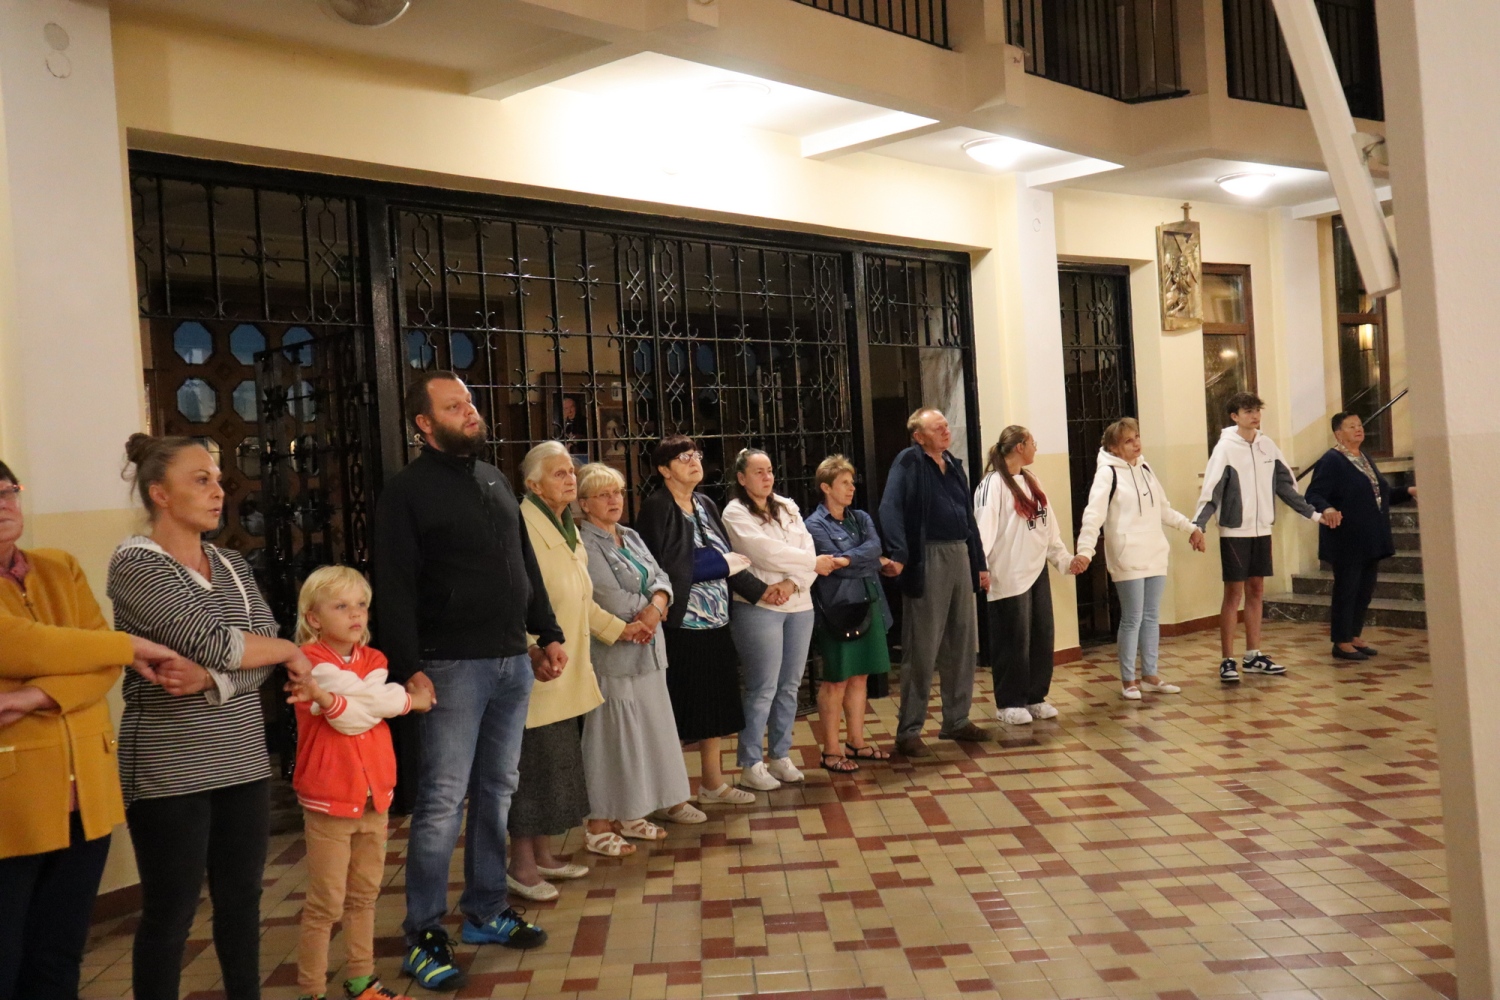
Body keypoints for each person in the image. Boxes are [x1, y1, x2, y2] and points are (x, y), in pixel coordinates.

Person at [372, 371, 562, 992]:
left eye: (471, 403)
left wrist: (547, 630)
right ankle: (424, 933)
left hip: (509, 659)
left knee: (497, 788)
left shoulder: (492, 477)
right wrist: (408, 668)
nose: (470, 412)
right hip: (449, 665)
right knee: (441, 802)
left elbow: (524, 560)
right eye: (455, 407)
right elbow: (394, 586)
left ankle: (484, 909)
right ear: (425, 424)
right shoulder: (406, 492)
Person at [107, 434, 315, 1000]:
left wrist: (214, 678)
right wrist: (282, 652)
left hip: (241, 759)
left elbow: (259, 644)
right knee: (172, 910)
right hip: (170, 766)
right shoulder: (135, 564)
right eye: (201, 480)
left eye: (218, 480)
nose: (218, 491)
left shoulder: (229, 561)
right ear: (160, 494)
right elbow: (217, 642)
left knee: (242, 901)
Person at [0, 459, 193, 1000]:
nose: (2, 505)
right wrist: (125, 645)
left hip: (85, 797)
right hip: (12, 803)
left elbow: (100, 664)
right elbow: (24, 643)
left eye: (7, 492)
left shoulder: (58, 567)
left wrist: (33, 696)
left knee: (60, 954)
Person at [287, 566, 433, 1000]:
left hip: (375, 797)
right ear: (313, 619)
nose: (355, 614)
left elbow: (373, 703)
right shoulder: (308, 662)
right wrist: (410, 701)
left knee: (365, 896)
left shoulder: (374, 660)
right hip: (330, 798)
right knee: (326, 903)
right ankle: (312, 989)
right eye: (341, 606)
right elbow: (351, 720)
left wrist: (347, 701)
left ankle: (362, 980)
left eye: (361, 605)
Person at [511, 442, 643, 886]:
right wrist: (533, 647)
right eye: (559, 473)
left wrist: (620, 629)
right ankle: (521, 866)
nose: (570, 478)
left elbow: (580, 598)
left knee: (554, 770)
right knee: (531, 771)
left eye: (571, 471)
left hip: (567, 667)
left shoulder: (567, 525)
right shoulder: (523, 525)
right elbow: (517, 600)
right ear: (534, 485)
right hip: (539, 666)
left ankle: (544, 855)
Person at [576, 463, 706, 846]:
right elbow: (607, 597)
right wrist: (650, 610)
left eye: (617, 492)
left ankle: (635, 813)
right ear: (584, 503)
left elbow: (662, 577)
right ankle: (603, 818)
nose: (614, 500)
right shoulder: (585, 543)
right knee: (615, 740)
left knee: (648, 734)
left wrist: (658, 604)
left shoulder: (629, 535)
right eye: (603, 494)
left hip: (649, 649)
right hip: (615, 655)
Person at [635, 436, 764, 807]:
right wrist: (717, 565)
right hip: (682, 623)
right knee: (681, 708)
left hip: (717, 619)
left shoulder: (705, 502)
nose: (694, 461)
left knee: (716, 706)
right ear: (664, 470)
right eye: (683, 457)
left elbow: (727, 556)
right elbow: (661, 564)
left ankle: (713, 784)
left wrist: (759, 590)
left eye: (696, 455)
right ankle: (672, 797)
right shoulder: (657, 507)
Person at [1193, 392, 1338, 684]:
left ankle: (1253, 655)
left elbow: (1285, 487)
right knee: (1233, 594)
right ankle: (1227, 660)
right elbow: (1212, 491)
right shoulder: (1225, 448)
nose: (1255, 416)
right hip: (1235, 531)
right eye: (1248, 411)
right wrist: (1198, 525)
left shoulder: (1267, 446)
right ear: (1234, 416)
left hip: (1262, 530)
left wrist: (1313, 514)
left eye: (1257, 410)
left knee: (1257, 590)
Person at [878, 408, 991, 758]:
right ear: (919, 436)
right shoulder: (908, 462)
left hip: (960, 554)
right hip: (928, 557)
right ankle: (909, 731)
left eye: (945, 425)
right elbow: (889, 509)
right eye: (937, 427)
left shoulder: (954, 464)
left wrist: (979, 562)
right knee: (923, 648)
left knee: (962, 643)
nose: (945, 430)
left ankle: (957, 719)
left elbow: (968, 517)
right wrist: (899, 553)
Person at [722, 449, 833, 791]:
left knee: (789, 685)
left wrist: (792, 582)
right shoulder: (735, 512)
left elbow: (807, 550)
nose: (766, 477)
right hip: (760, 607)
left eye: (769, 470)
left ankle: (780, 755)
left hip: (798, 602)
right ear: (742, 478)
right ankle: (750, 762)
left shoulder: (786, 506)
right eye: (758, 472)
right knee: (762, 687)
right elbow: (764, 553)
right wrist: (808, 565)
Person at [1073, 419, 1206, 699]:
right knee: (1132, 617)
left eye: (1137, 437)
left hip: (1154, 552)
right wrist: (1085, 550)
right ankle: (1128, 680)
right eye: (1128, 441)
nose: (1136, 444)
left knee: (1151, 616)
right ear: (1114, 447)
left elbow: (1164, 510)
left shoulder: (1145, 468)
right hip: (1127, 555)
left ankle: (1150, 675)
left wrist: (1191, 528)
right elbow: (1093, 515)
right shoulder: (1107, 473)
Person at [974, 426, 1078, 725]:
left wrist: (1065, 560)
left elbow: (1048, 528)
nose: (1036, 447)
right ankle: (1009, 702)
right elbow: (983, 530)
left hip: (1035, 570)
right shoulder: (992, 484)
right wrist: (980, 566)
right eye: (1033, 442)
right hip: (1008, 573)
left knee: (1041, 637)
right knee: (1012, 640)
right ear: (1019, 447)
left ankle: (1035, 697)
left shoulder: (1032, 480)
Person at [804, 456, 893, 773]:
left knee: (860, 675)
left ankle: (856, 742)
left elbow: (874, 547)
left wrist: (848, 560)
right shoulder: (814, 525)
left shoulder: (861, 518)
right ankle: (831, 750)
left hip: (870, 602)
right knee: (837, 679)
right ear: (826, 487)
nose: (851, 488)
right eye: (844, 482)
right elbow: (832, 567)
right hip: (839, 610)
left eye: (852, 482)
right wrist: (867, 562)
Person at [1306, 412, 1416, 661]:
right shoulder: (1331, 460)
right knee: (1347, 590)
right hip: (1347, 538)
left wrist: (1408, 490)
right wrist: (1328, 508)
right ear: (1338, 434)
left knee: (1364, 591)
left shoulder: (1364, 458)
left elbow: (1381, 495)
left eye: (1360, 424)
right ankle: (1341, 641)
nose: (1358, 429)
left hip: (1371, 537)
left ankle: (1354, 635)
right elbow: (1313, 494)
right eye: (1351, 426)